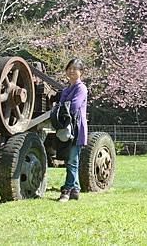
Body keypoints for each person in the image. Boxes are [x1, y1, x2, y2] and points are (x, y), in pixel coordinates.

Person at [57, 58, 88, 202]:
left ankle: (67, 190)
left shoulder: (81, 88)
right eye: (69, 68)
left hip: (77, 127)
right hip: (66, 126)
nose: (71, 71)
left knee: (72, 160)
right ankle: (75, 190)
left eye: (75, 69)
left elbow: (73, 106)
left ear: (81, 72)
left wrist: (62, 108)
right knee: (70, 160)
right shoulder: (66, 89)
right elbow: (61, 105)